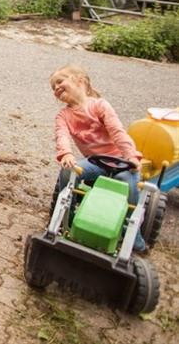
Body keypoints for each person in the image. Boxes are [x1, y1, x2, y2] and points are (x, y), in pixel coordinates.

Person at [50, 64, 146, 252]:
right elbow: (61, 135)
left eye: (60, 82)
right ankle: (65, 219)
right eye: (53, 88)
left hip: (120, 161)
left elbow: (117, 132)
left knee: (129, 187)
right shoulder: (64, 115)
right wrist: (66, 153)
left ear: (80, 81)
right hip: (95, 162)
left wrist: (131, 156)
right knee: (68, 172)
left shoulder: (100, 105)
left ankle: (132, 233)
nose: (56, 88)